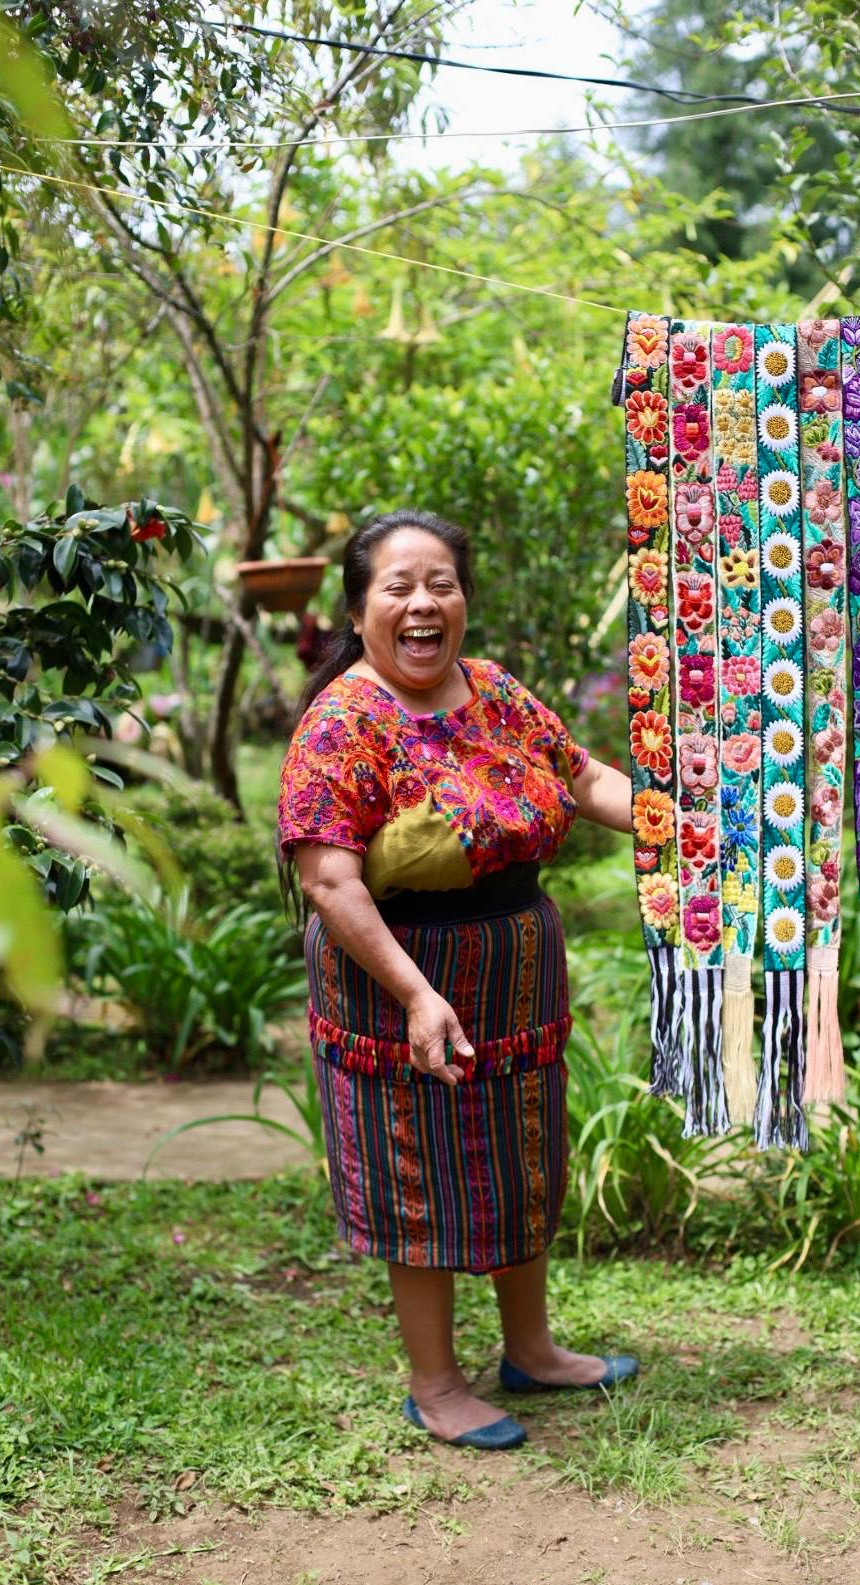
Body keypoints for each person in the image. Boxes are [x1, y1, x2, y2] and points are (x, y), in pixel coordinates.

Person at [278, 509, 638, 1451]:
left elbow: (583, 773)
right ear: (360, 611)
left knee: (524, 1158)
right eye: (398, 587)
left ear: (463, 600)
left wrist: (674, 820)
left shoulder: (496, 692)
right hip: (396, 976)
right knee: (420, 1174)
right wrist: (413, 995)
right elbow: (328, 878)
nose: (422, 603)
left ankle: (531, 1349)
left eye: (440, 583)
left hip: (514, 970)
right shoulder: (344, 723)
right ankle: (436, 1385)